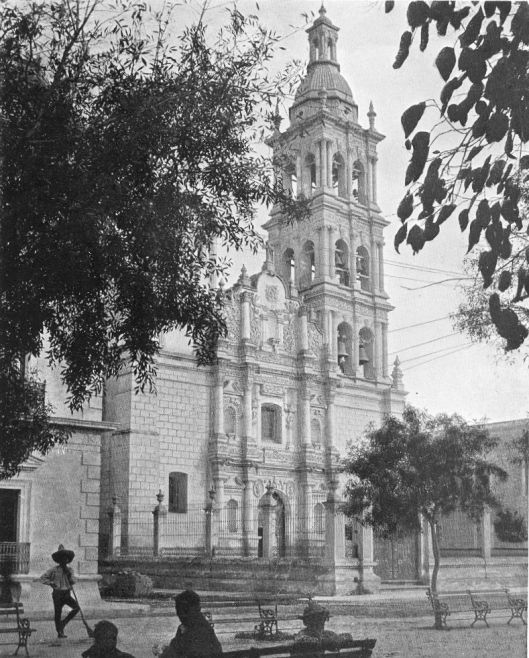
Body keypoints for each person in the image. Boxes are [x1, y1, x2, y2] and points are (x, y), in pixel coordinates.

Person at [157, 590, 222, 658]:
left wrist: (164, 654)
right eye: (177, 610)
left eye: (179, 610)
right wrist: (164, 649)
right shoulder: (186, 627)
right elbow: (176, 648)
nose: (178, 614)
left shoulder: (200, 630)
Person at [40, 544, 80, 638]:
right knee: (58, 613)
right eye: (62, 558)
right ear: (59, 559)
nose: (64, 560)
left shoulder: (70, 570)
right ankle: (59, 632)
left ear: (67, 560)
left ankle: (63, 623)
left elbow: (74, 581)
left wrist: (69, 576)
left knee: (76, 608)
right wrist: (51, 583)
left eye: (66, 558)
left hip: (66, 593)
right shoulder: (54, 570)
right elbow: (42, 578)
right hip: (57, 594)